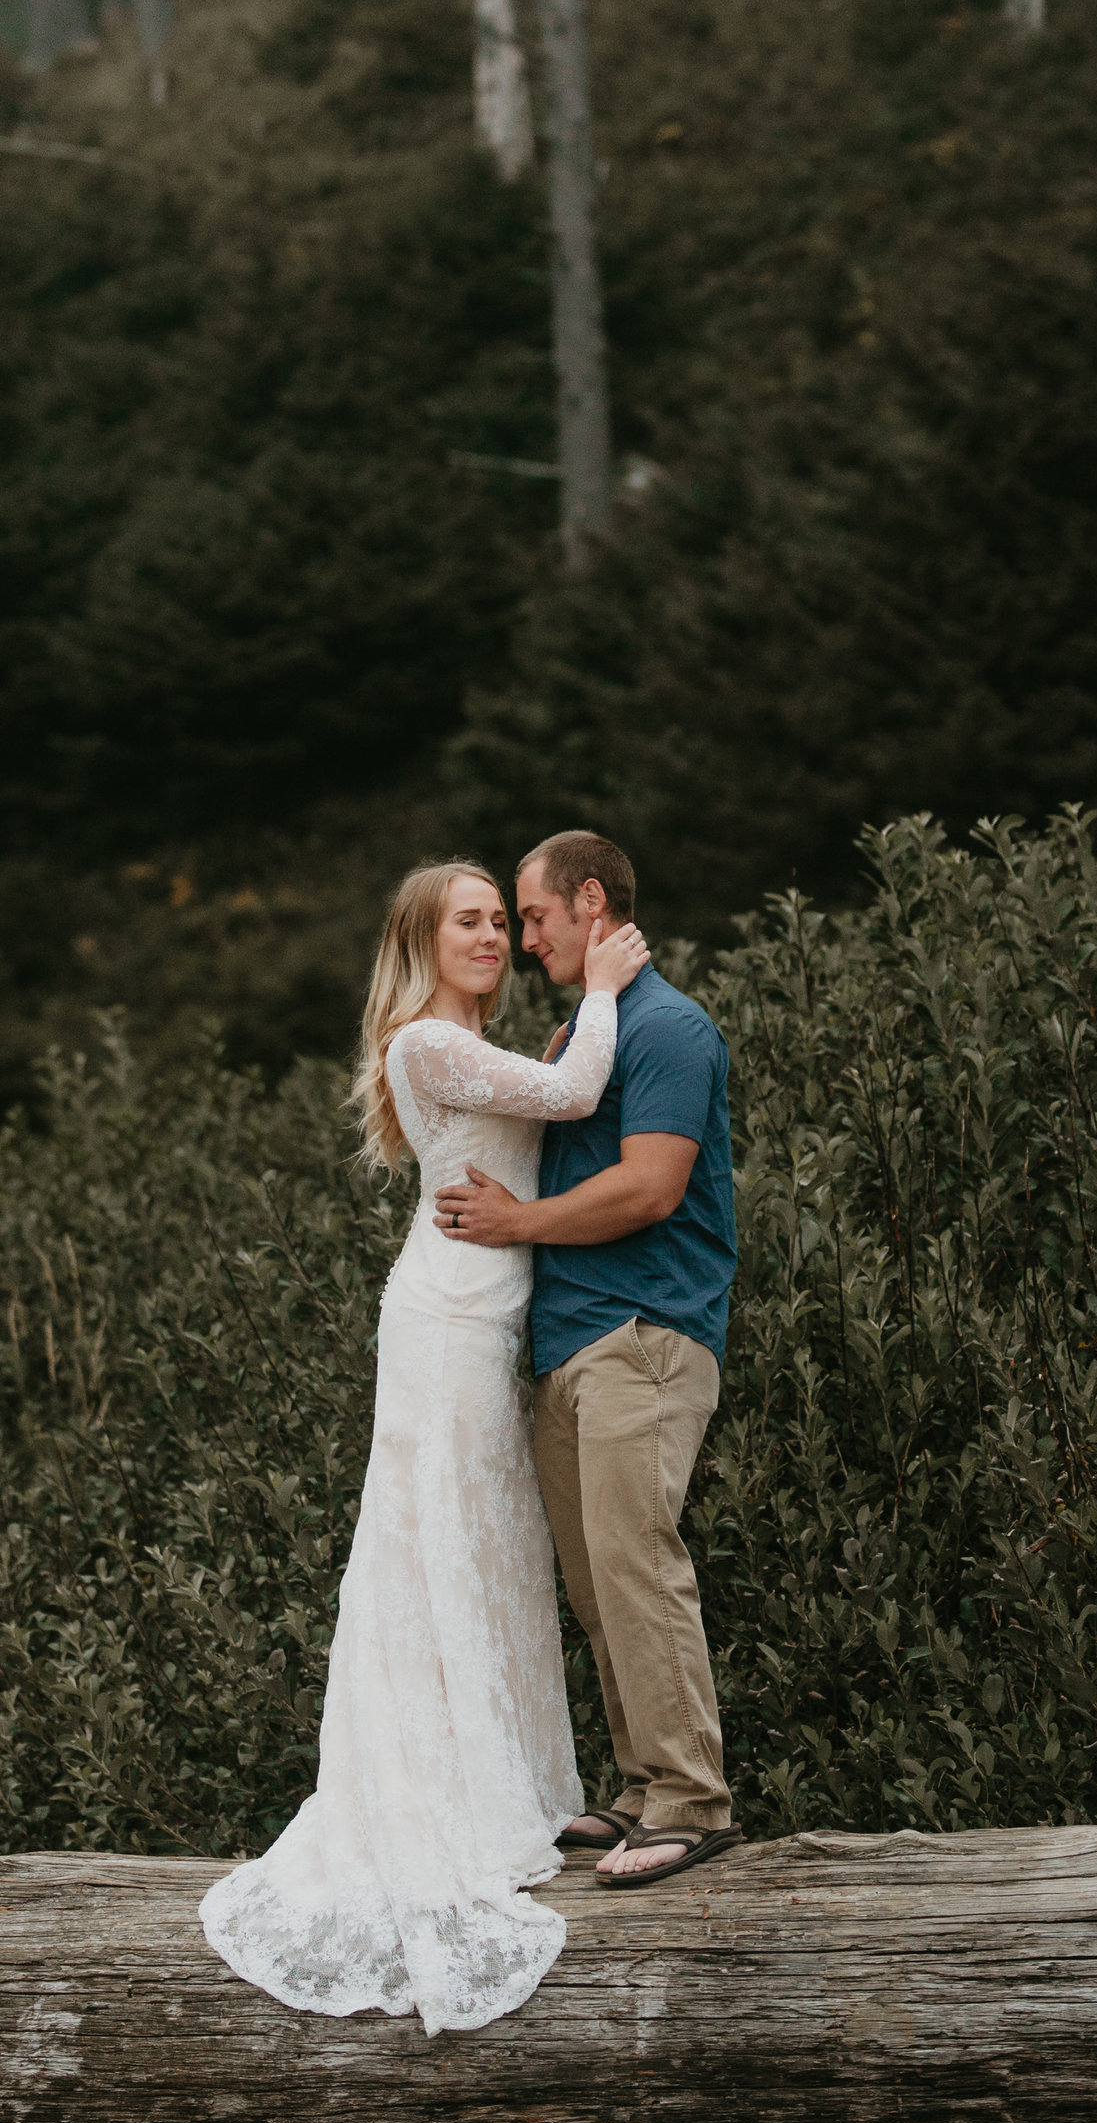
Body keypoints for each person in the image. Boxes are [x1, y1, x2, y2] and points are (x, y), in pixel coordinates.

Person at [198, 856, 649, 2035]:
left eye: (503, 919)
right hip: (446, 1317)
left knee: (490, 1543)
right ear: (421, 940)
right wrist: (601, 982)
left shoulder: (484, 1046)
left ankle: (501, 1777)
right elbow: (577, 1095)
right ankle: (436, 1793)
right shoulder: (422, 1042)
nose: (493, 936)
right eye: (468, 922)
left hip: (494, 1315)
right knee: (437, 1537)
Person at [434, 827, 740, 1889]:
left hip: (644, 1335)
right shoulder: (585, 1032)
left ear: (591, 903)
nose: (523, 940)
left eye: (533, 917)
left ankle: (692, 1801)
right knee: (595, 1581)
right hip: (575, 1348)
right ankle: (640, 1791)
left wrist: (516, 1225)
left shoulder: (672, 1029)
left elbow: (651, 1186)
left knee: (636, 1562)